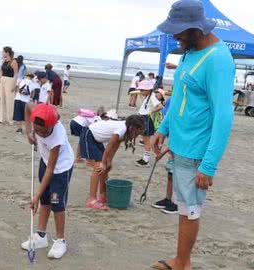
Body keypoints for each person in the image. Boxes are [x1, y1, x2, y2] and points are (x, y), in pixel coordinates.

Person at [151, 1, 235, 269]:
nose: (175, 36)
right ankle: (180, 260)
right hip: (180, 144)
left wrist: (209, 164)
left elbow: (224, 115)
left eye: (179, 31)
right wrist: (164, 129)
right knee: (183, 207)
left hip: (197, 151)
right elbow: (180, 95)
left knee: (189, 210)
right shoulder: (189, 51)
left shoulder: (218, 60)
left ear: (196, 29)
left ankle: (182, 264)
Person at [21, 103, 74, 259]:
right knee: (45, 200)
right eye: (38, 131)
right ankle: (41, 236)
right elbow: (27, 106)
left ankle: (60, 241)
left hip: (60, 168)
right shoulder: (38, 113)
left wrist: (35, 196)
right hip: (45, 161)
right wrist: (29, 131)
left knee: (56, 203)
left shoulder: (57, 138)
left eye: (43, 132)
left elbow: (51, 169)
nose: (41, 135)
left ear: (52, 126)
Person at [82, 115, 145, 210]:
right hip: (89, 135)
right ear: (132, 128)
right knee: (98, 167)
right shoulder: (121, 130)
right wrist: (103, 162)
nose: (136, 136)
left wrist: (109, 161)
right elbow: (110, 144)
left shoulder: (126, 131)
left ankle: (102, 195)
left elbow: (116, 144)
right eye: (136, 133)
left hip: (97, 139)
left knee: (106, 168)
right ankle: (92, 200)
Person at [135, 80, 164, 168]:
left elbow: (160, 106)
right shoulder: (148, 96)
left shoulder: (152, 97)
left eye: (142, 90)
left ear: (148, 90)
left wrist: (150, 111)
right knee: (144, 140)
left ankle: (146, 160)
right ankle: (144, 158)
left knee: (146, 141)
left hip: (146, 119)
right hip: (143, 118)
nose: (141, 92)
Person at [0, 46, 18, 125]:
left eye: (3, 52)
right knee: (2, 99)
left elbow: (16, 74)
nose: (2, 53)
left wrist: (14, 85)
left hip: (10, 80)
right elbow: (1, 72)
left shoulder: (13, 62)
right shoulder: (4, 61)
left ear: (7, 53)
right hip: (3, 79)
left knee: (9, 100)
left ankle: (10, 119)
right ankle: (1, 118)